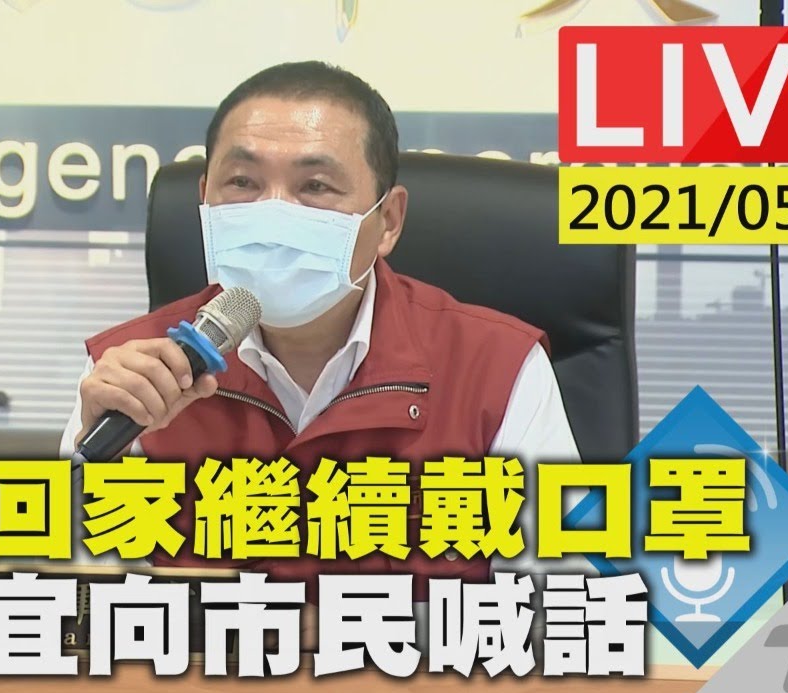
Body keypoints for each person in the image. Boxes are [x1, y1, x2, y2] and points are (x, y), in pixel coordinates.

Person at [62, 61, 580, 597]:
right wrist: (99, 470)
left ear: (388, 221)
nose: (272, 214)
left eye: (315, 186)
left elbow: (560, 609)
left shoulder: (497, 368)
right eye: (242, 182)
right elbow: (77, 615)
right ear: (204, 201)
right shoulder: (131, 373)